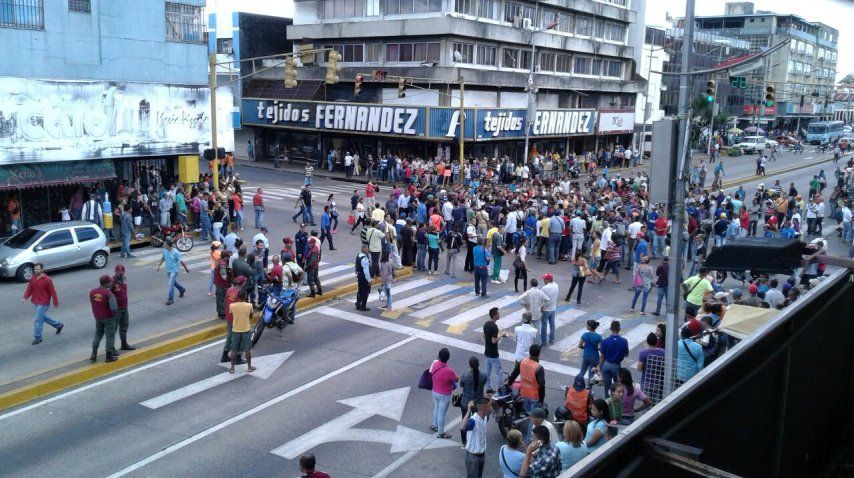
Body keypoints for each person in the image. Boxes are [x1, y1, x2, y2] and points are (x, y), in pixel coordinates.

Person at [506, 344, 546, 443]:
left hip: (524, 394)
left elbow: (514, 373)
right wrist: (541, 399)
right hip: (534, 397)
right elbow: (541, 386)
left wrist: (509, 383)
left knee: (529, 415)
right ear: (538, 354)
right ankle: (529, 440)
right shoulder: (538, 367)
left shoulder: (523, 362)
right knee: (533, 420)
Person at [22, 263, 63, 345]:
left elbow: (52, 292)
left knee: (38, 320)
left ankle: (38, 337)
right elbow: (29, 288)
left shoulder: (47, 279)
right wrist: (25, 297)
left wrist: (55, 302)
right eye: (35, 269)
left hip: (44, 302)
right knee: (42, 317)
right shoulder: (33, 278)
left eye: (38, 269)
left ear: (42, 270)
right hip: (36, 301)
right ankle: (58, 325)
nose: (36, 271)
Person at [458, 357, 488, 446]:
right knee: (479, 422)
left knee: (465, 419)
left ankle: (464, 442)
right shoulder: (483, 375)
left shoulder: (465, 375)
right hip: (478, 403)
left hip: (466, 402)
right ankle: (477, 440)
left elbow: (461, 384)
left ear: (469, 365)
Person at [430, 348, 459, 439]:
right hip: (444, 395)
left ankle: (434, 425)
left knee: (436, 409)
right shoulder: (449, 371)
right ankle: (441, 432)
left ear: (439, 356)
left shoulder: (435, 364)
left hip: (434, 391)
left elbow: (431, 372)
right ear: (448, 358)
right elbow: (456, 379)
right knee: (442, 413)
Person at [90, 274, 119, 363]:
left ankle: (94, 353)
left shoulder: (93, 292)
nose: (111, 283)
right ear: (106, 283)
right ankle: (109, 356)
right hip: (109, 318)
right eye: (110, 282)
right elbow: (114, 307)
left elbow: (92, 303)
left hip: (98, 317)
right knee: (110, 336)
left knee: (98, 334)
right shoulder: (109, 294)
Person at [461, 397, 493, 478]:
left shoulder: (484, 417)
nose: (491, 408)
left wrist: (490, 400)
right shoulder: (473, 420)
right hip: (473, 457)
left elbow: (490, 411)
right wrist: (468, 411)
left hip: (481, 454)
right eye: (489, 406)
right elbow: (463, 427)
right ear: (484, 409)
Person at [228, 289, 255, 374]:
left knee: (234, 350)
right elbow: (251, 316)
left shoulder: (232, 305)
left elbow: (232, 315)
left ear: (237, 297)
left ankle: (232, 368)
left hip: (235, 330)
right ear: (246, 297)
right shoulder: (249, 305)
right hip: (246, 329)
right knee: (247, 349)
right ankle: (249, 367)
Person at [598, 320, 629, 398]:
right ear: (619, 329)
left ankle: (607, 402)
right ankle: (616, 402)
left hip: (606, 365)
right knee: (618, 387)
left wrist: (599, 366)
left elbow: (602, 356)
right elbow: (626, 354)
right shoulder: (624, 341)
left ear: (611, 329)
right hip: (616, 366)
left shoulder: (605, 341)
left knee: (607, 386)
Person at [155, 239, 189, 305]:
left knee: (170, 283)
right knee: (173, 282)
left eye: (165, 245)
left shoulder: (176, 252)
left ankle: (171, 299)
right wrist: (158, 265)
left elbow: (181, 261)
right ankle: (181, 289)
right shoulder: (165, 250)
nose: (163, 245)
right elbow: (163, 258)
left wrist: (186, 269)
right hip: (169, 270)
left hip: (175, 270)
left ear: (168, 245)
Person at [483, 307, 508, 392]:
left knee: (487, 372)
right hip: (493, 354)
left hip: (487, 352)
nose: (499, 314)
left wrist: (487, 344)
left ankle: (489, 388)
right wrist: (501, 335)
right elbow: (494, 341)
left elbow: (484, 336)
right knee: (499, 371)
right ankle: (500, 388)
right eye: (498, 313)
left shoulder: (486, 324)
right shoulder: (494, 327)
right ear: (494, 315)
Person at [111, 264, 135, 351]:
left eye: (122, 271)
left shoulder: (124, 279)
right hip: (116, 309)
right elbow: (108, 295)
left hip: (124, 307)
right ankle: (111, 348)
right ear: (115, 271)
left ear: (124, 272)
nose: (120, 273)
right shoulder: (112, 281)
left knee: (124, 326)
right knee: (113, 329)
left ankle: (123, 344)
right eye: (118, 271)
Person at [637, 332, 665, 401]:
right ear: (657, 341)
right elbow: (663, 366)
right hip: (657, 382)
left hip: (646, 381)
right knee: (655, 403)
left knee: (646, 403)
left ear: (647, 342)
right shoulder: (662, 352)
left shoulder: (643, 353)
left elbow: (639, 369)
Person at [577, 320, 602, 388]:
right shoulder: (598, 337)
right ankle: (589, 390)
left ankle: (578, 385)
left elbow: (579, 345)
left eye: (587, 325)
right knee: (591, 375)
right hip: (594, 357)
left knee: (582, 372)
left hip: (586, 356)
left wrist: (586, 347)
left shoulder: (585, 335)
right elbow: (599, 348)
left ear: (590, 327)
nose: (586, 326)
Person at [540, 273, 559, 345]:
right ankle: (552, 339)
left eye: (545, 279)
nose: (544, 280)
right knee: (552, 324)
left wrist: (541, 308)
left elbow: (542, 299)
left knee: (544, 325)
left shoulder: (544, 288)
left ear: (549, 279)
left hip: (546, 309)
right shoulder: (556, 285)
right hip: (553, 308)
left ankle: (544, 341)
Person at [355, 244, 372, 311]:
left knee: (360, 291)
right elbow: (366, 271)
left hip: (359, 276)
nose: (368, 250)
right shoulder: (364, 259)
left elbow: (356, 266)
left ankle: (358, 304)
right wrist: (369, 280)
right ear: (365, 250)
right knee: (365, 292)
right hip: (364, 278)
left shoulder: (358, 256)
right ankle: (363, 306)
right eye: (367, 249)